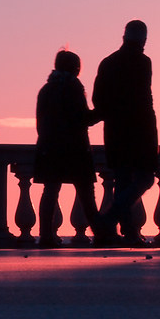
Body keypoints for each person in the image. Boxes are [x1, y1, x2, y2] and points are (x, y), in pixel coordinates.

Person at [88, 21, 157, 245]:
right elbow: (146, 101)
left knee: (123, 180)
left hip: (116, 132)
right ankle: (110, 220)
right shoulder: (143, 62)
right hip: (140, 130)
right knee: (144, 178)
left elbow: (98, 100)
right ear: (143, 40)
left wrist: (112, 115)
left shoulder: (108, 63)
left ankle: (126, 231)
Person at [32, 50, 96, 245]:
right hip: (74, 149)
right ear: (76, 68)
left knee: (50, 191)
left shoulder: (46, 89)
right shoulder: (74, 88)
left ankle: (45, 235)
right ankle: (101, 232)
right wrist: (101, 113)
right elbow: (82, 119)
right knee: (86, 193)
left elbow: (40, 122)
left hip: (49, 148)